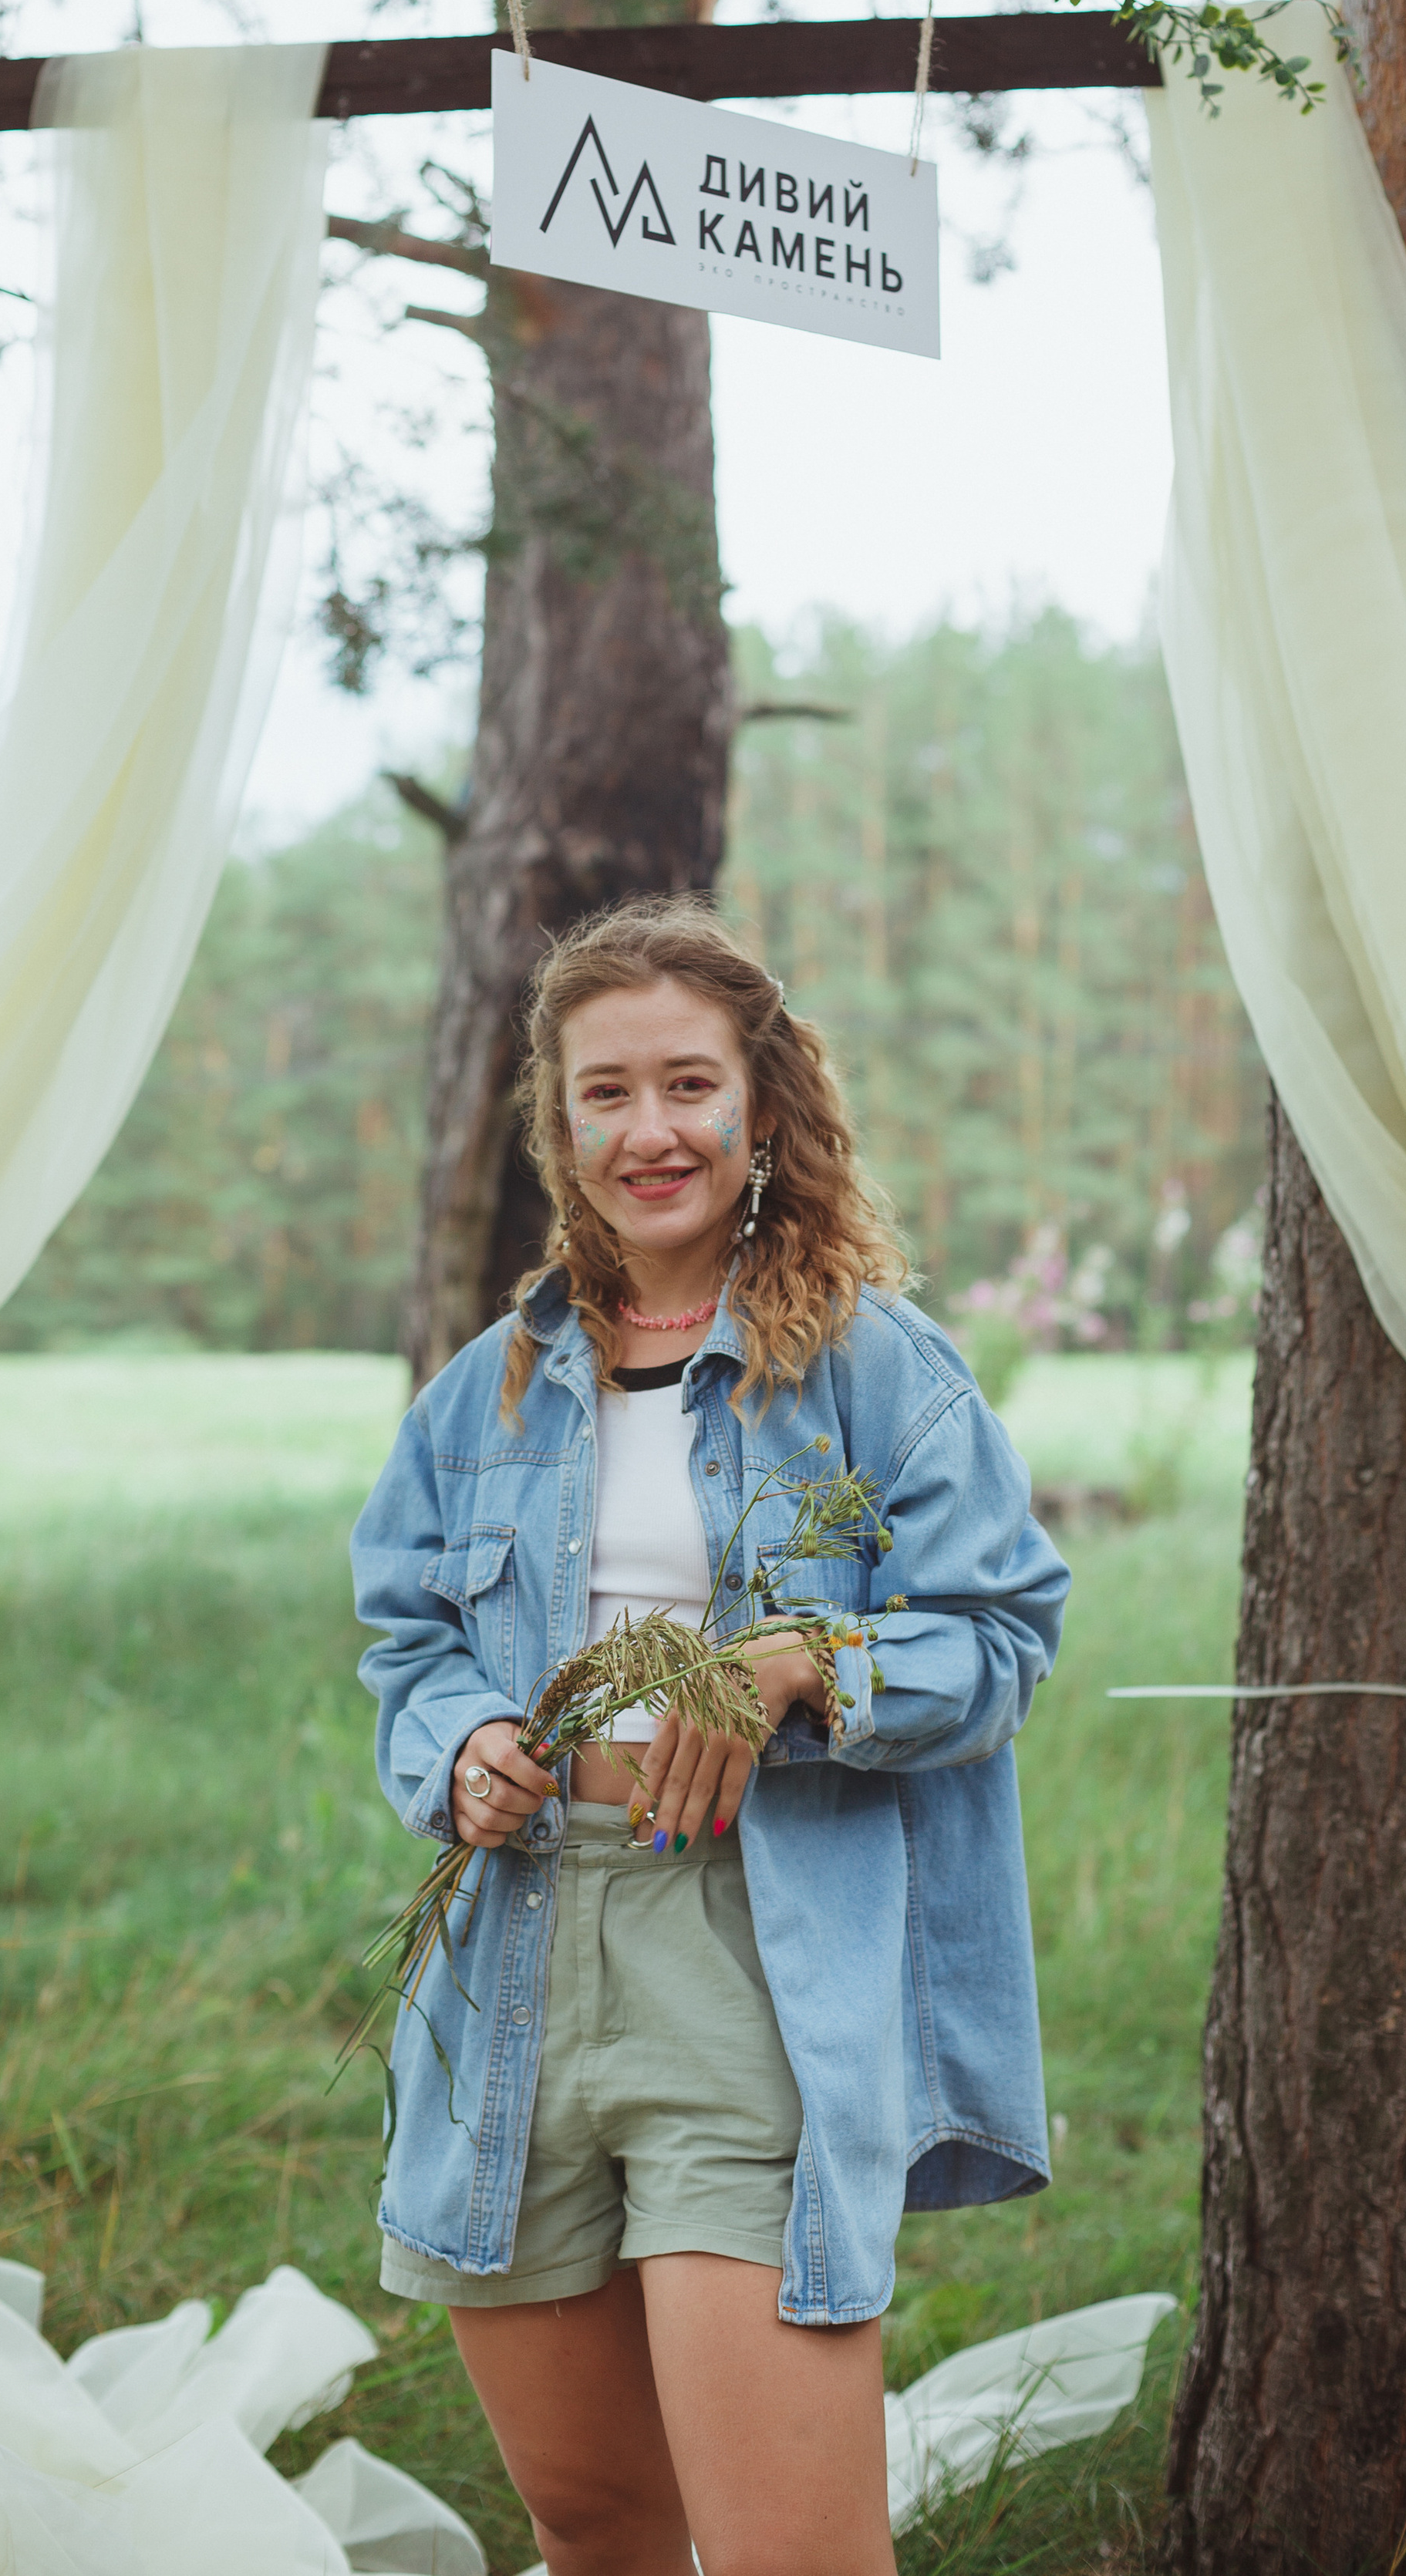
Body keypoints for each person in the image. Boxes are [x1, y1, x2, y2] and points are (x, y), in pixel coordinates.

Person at [351, 897, 1069, 2576]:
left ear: (760, 1113)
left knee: (785, 2554)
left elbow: (1002, 1636)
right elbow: (408, 1642)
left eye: (688, 1085)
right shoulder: (483, 1397)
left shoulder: (878, 1375)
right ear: (562, 1123)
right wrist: (457, 1749)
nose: (648, 1130)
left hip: (752, 1954)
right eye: (606, 1094)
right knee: (595, 2525)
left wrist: (803, 1659)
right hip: (509, 1961)